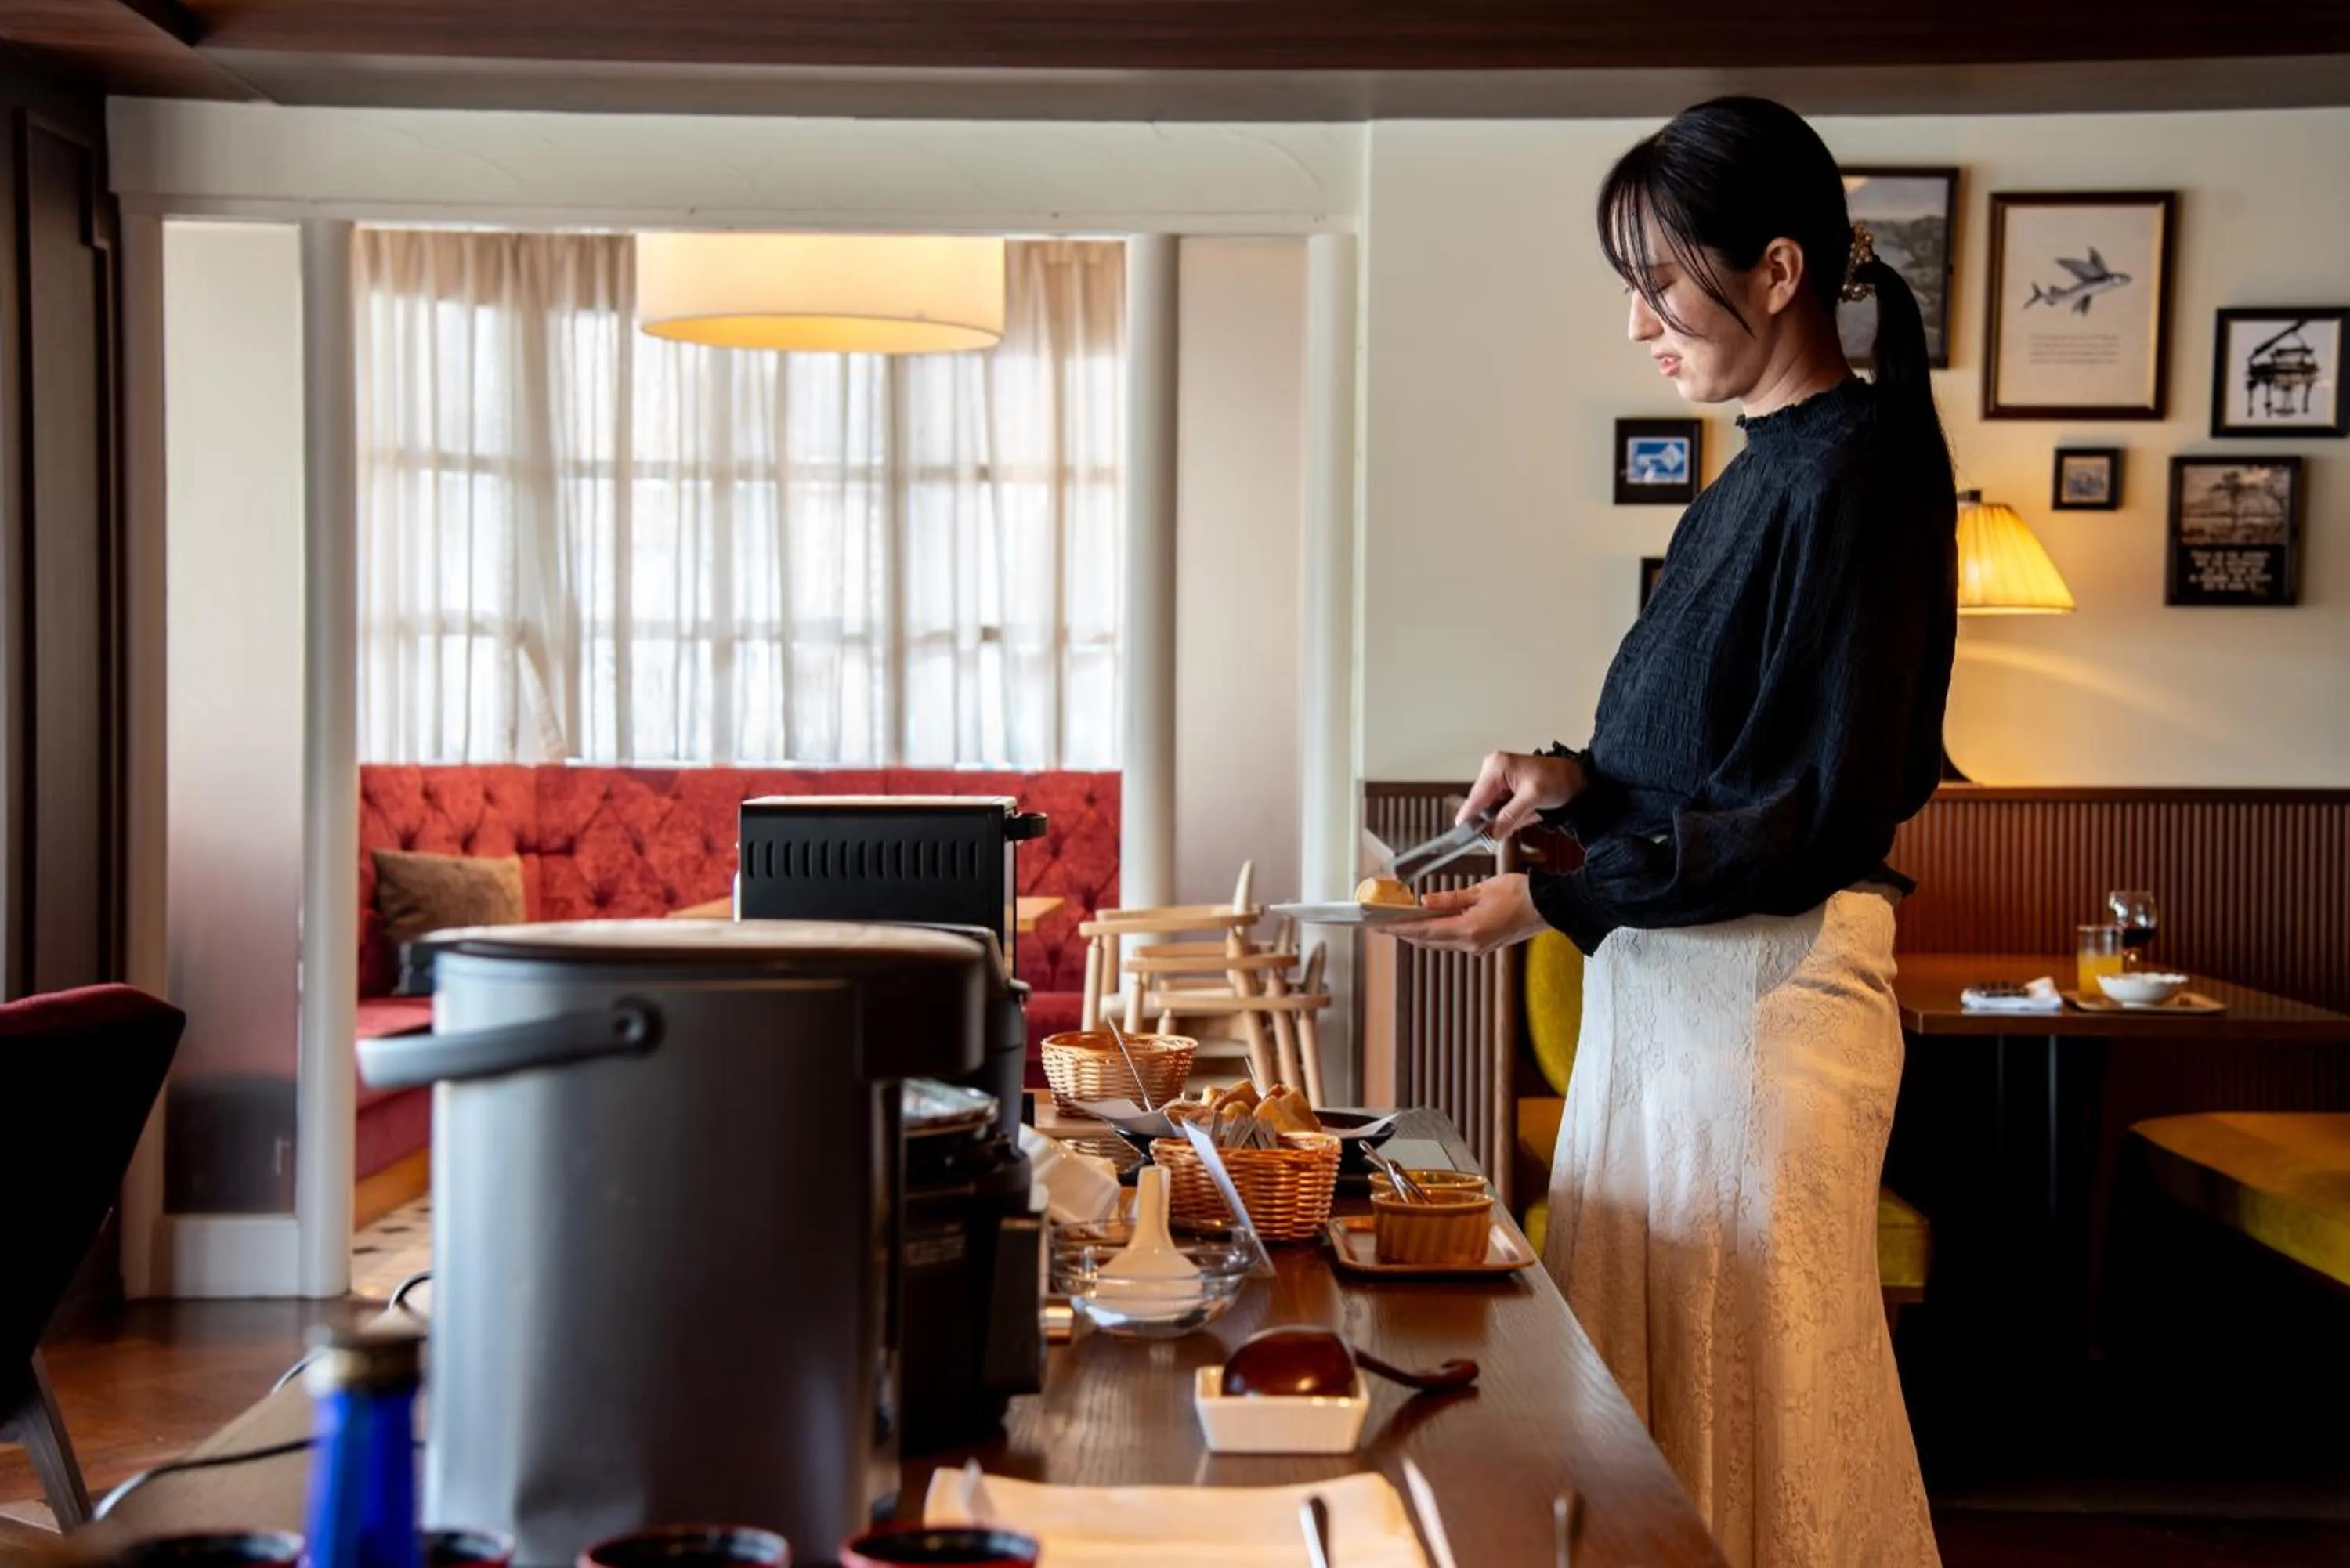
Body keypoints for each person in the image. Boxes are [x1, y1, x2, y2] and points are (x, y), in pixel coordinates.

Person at [1390, 96, 1954, 1568]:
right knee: (1648, 1397)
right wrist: (1570, 778)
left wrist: (1557, 892)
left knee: (1751, 1400)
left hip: (1759, 1014)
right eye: (1626, 287)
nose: (1640, 322)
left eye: (1663, 279)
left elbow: (1803, 813)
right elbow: (1707, 759)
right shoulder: (1760, 467)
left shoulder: (1853, 474)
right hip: (1679, 1001)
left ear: (1779, 271)